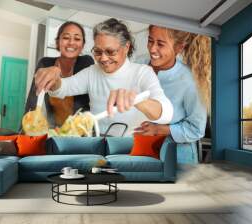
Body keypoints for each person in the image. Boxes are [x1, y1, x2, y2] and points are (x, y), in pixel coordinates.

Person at [34, 18, 173, 136]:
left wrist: (136, 100)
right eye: (98, 52)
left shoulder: (143, 73)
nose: (104, 58)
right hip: (98, 143)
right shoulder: (92, 72)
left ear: (126, 47)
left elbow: (166, 112)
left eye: (110, 51)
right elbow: (63, 88)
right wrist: (54, 76)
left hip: (131, 148)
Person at [134, 25, 211, 164]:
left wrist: (159, 129)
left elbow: (196, 129)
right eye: (150, 40)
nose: (152, 49)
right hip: (141, 149)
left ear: (179, 48)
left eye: (161, 44)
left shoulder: (190, 82)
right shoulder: (139, 64)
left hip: (178, 155)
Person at [24, 21, 95, 127]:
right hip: (55, 129)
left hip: (82, 131)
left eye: (77, 39)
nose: (71, 42)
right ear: (58, 42)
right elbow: (33, 100)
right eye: (66, 37)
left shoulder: (86, 62)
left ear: (82, 45)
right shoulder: (45, 63)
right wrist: (25, 129)